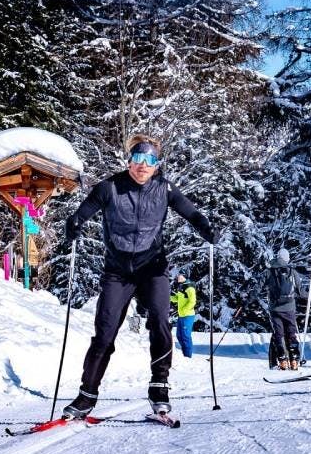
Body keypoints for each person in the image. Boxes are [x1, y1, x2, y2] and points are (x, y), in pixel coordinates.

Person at [61, 134, 214, 419]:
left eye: (150, 160)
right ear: (129, 161)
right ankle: (86, 395)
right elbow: (86, 210)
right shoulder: (110, 187)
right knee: (105, 332)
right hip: (117, 271)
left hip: (152, 268)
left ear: (157, 165)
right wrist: (76, 222)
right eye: (138, 159)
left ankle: (159, 386)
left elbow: (191, 213)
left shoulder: (165, 188)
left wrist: (203, 225)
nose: (143, 165)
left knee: (159, 319)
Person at [265, 247, 305, 370]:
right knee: (291, 333)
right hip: (290, 308)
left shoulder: (269, 271)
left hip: (275, 309)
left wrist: (246, 301)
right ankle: (294, 359)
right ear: (287, 259)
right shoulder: (292, 272)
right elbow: (301, 291)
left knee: (279, 334)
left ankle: (282, 360)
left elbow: (257, 286)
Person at [170, 274, 196, 358]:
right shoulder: (182, 286)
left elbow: (192, 301)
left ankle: (188, 356)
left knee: (185, 336)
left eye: (180, 276)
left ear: (184, 277)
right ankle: (185, 353)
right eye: (177, 276)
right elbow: (178, 298)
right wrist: (168, 297)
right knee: (179, 336)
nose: (178, 277)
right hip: (181, 316)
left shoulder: (189, 287)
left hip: (187, 315)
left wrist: (184, 310)